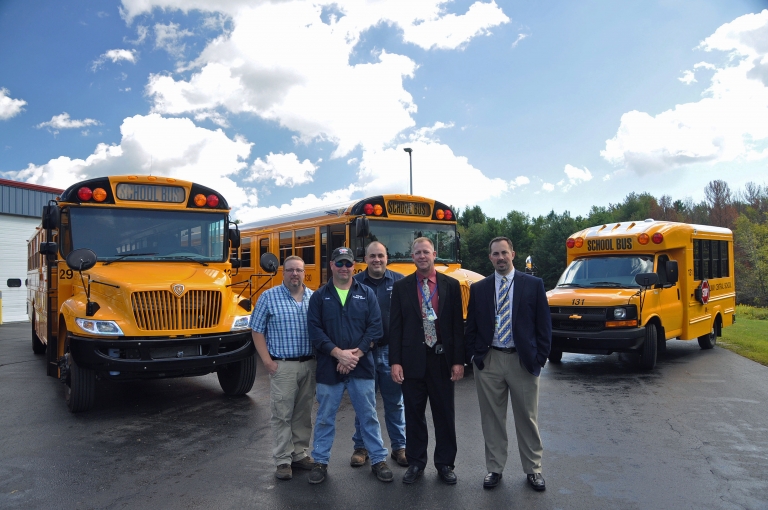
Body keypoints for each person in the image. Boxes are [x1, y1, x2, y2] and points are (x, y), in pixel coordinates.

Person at [464, 237, 552, 491]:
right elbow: (471, 326)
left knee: (527, 418)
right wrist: (475, 357)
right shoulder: (479, 288)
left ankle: (533, 469)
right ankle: (494, 468)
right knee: (491, 419)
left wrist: (539, 358)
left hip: (522, 361)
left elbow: (544, 326)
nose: (500, 257)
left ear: (513, 254)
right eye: (495, 254)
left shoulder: (533, 285)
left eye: (504, 252)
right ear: (490, 257)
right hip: (489, 360)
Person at [306, 246, 394, 484]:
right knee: (325, 417)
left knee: (368, 416)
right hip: (329, 367)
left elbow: (375, 328)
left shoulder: (366, 294)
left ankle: (378, 460)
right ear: (331, 266)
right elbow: (315, 330)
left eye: (348, 263)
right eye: (339, 263)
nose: (344, 268)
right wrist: (338, 354)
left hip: (361, 366)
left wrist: (354, 355)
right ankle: (320, 462)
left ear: (354, 266)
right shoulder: (319, 296)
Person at [389, 237, 465, 485]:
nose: (422, 256)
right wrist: (395, 361)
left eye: (426, 252)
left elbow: (457, 326)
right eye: (417, 252)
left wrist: (458, 361)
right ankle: (416, 462)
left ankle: (445, 464)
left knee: (444, 415)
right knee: (414, 415)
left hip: (442, 360)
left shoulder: (451, 285)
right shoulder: (401, 287)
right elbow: (395, 327)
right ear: (412, 257)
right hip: (412, 361)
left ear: (434, 254)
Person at [250, 255, 316, 481]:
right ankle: (282, 460)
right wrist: (267, 361)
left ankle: (299, 453)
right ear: (283, 272)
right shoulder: (268, 297)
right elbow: (256, 330)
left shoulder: (313, 297)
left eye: (298, 270)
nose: (294, 274)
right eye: (290, 270)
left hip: (309, 364)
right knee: (282, 414)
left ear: (304, 273)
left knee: (303, 412)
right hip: (283, 365)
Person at [350, 241, 407, 468]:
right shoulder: (355, 283)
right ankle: (361, 447)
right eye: (372, 256)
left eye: (380, 256)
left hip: (392, 351)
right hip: (364, 352)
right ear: (365, 259)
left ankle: (399, 447)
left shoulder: (400, 282)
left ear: (387, 257)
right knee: (364, 402)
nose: (377, 260)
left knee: (395, 402)